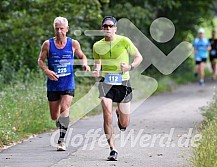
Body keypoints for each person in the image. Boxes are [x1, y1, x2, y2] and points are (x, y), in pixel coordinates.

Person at [93, 16, 143, 161]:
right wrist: (96, 70)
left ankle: (119, 114)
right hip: (106, 83)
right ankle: (112, 149)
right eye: (105, 26)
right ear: (102, 29)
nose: (108, 29)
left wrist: (129, 67)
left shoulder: (124, 41)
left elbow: (139, 57)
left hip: (123, 83)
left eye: (110, 26)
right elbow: (97, 63)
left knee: (124, 123)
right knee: (106, 113)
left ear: (115, 28)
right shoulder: (97, 45)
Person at [38, 16, 90, 151]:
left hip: (68, 82)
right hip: (53, 83)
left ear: (67, 29)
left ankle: (61, 140)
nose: (59, 31)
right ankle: (60, 123)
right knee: (54, 115)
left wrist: (84, 64)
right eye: (57, 29)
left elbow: (82, 56)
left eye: (62, 28)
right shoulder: (48, 44)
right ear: (54, 29)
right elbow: (40, 60)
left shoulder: (73, 43)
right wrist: (47, 70)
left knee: (65, 107)